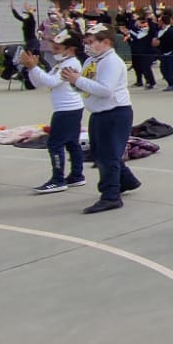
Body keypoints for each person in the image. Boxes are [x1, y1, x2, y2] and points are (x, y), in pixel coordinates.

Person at [65, 25, 141, 213]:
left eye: (92, 42)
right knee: (99, 153)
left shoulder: (112, 62)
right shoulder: (92, 61)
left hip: (115, 112)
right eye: (86, 42)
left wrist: (78, 81)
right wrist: (74, 81)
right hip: (98, 113)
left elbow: (105, 89)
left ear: (106, 42)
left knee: (108, 156)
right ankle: (127, 181)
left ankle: (111, 196)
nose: (87, 46)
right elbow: (87, 85)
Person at [20, 30, 87, 193]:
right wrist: (32, 70)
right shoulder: (62, 64)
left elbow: (52, 81)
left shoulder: (70, 64)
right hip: (69, 108)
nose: (53, 52)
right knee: (72, 142)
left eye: (57, 48)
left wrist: (35, 68)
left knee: (55, 144)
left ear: (70, 49)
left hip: (67, 109)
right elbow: (40, 83)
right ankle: (77, 175)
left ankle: (58, 179)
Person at [154, 13, 173, 92]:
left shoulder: (171, 31)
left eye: (159, 21)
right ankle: (171, 84)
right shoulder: (160, 31)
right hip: (164, 52)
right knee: (164, 69)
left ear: (163, 22)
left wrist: (160, 43)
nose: (158, 23)